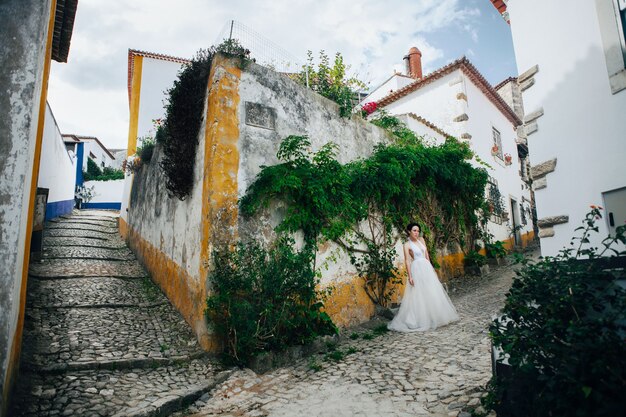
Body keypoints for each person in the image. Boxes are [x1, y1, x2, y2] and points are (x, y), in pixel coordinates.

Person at [388, 222, 459, 332]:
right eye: (414, 230)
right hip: (417, 268)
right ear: (409, 231)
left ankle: (435, 316)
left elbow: (426, 255)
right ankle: (419, 319)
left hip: (426, 267)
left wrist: (431, 268)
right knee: (419, 293)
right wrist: (410, 276)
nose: (416, 233)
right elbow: (407, 261)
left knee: (431, 290)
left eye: (417, 231)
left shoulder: (421, 240)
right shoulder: (407, 245)